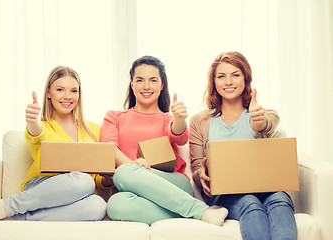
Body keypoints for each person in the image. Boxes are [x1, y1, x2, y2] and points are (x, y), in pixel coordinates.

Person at [100, 55, 228, 225]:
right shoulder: (114, 117)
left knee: (124, 172)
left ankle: (196, 209)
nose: (146, 86)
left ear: (161, 85)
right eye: (140, 80)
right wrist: (134, 165)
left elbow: (179, 135)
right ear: (132, 84)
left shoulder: (168, 119)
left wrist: (180, 119)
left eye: (153, 80)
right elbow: (109, 147)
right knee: (115, 205)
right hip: (133, 187)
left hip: (174, 183)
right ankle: (195, 212)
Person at [189, 51, 297, 240]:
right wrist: (202, 175)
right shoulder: (201, 120)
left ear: (246, 79)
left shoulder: (262, 114)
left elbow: (267, 123)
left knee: (280, 199)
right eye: (221, 76)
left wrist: (258, 122)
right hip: (225, 195)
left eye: (235, 75)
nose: (228, 82)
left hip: (267, 189)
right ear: (214, 82)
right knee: (250, 203)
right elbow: (197, 170)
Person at [0, 65, 110, 221]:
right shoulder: (44, 126)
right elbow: (35, 133)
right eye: (60, 90)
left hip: (76, 194)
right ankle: (9, 206)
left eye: (74, 91)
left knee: (98, 205)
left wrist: (107, 178)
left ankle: (20, 218)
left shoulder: (93, 129)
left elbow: (96, 177)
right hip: (41, 186)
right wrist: (32, 121)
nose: (67, 96)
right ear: (49, 93)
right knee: (84, 180)